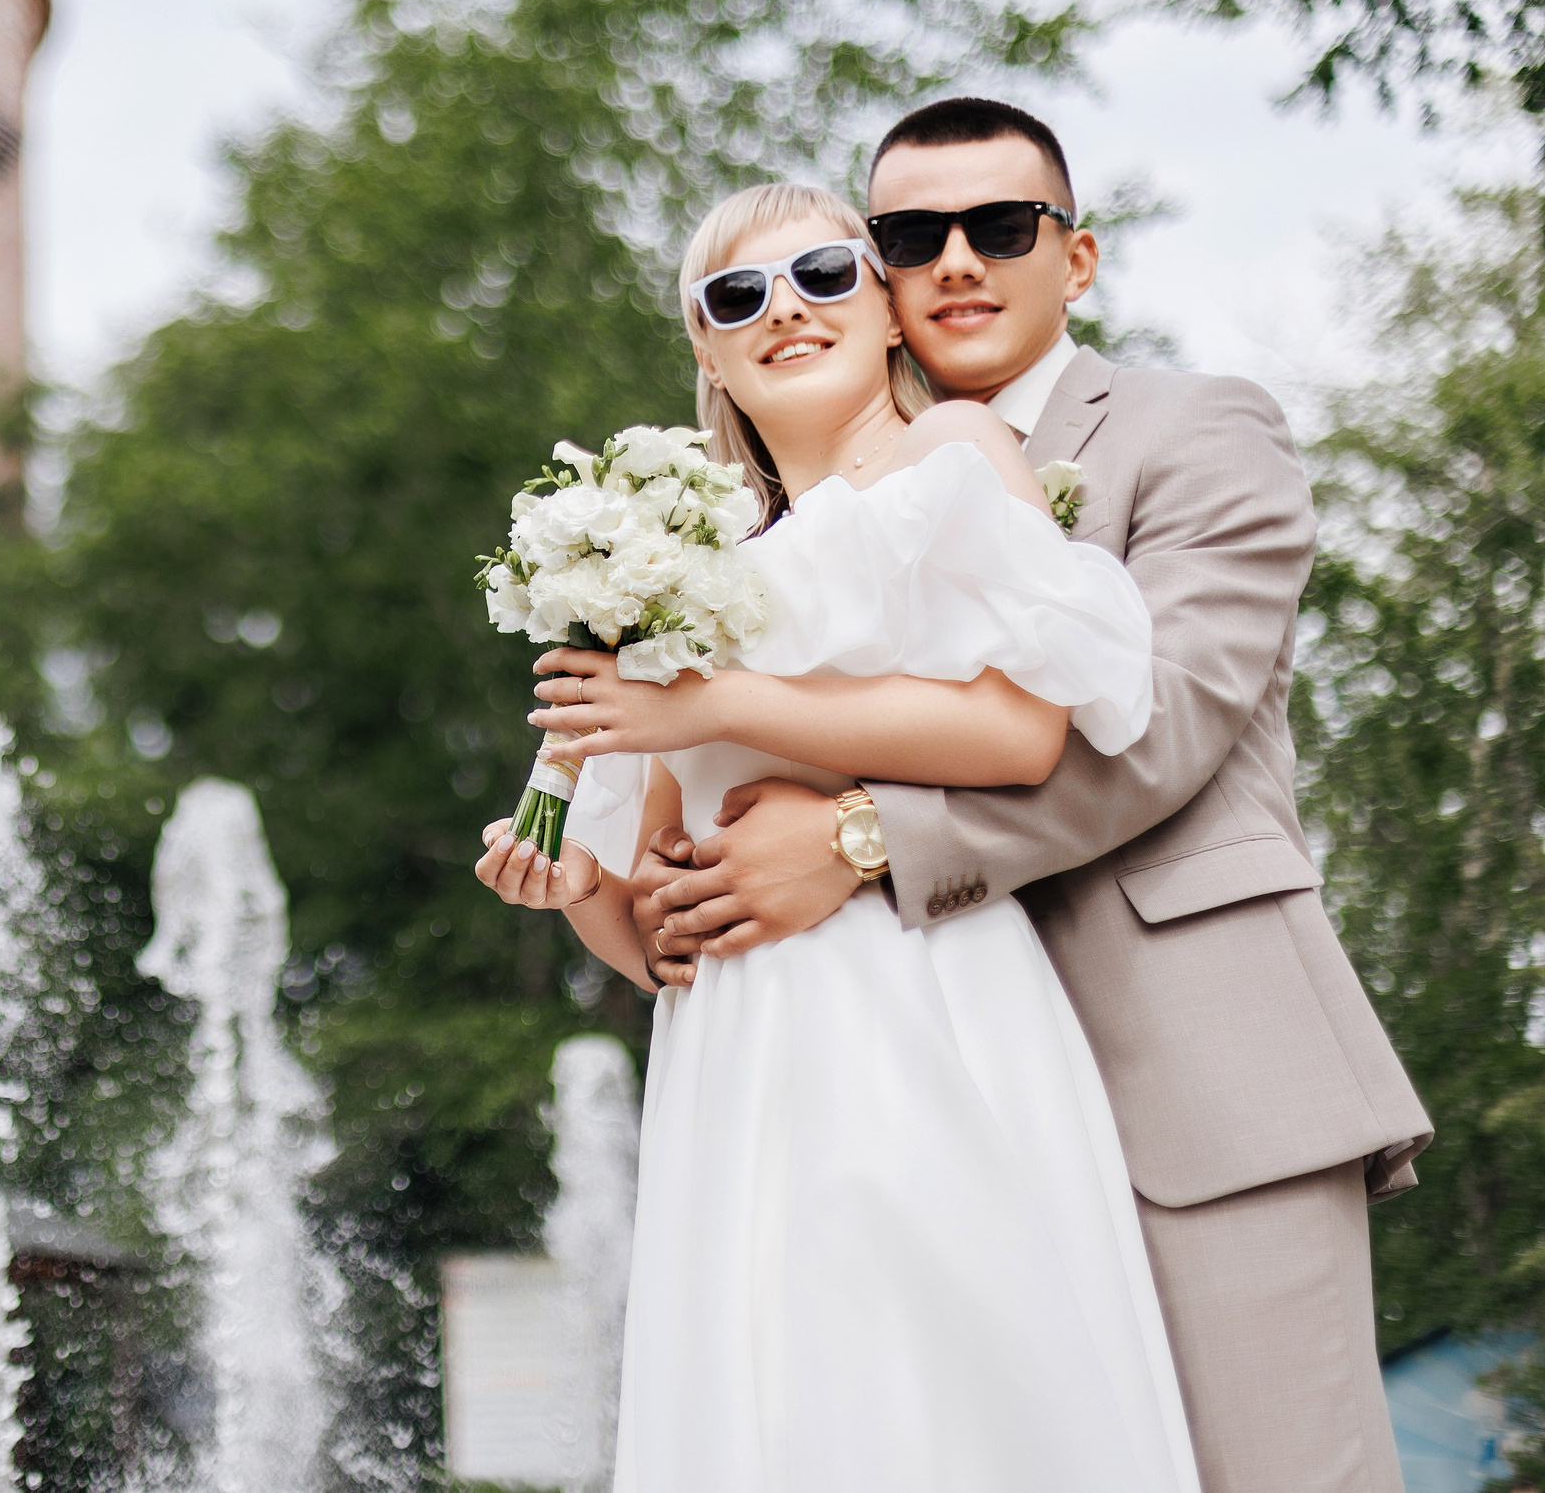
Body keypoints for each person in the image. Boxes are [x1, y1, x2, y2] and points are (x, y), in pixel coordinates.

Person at [642, 98, 1427, 1493]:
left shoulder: (1199, 430)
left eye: (1002, 227)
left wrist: (864, 839)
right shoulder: (805, 507)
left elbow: (1166, 726)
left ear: (1076, 259)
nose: (955, 261)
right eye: (907, 235)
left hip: (1195, 1086)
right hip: (933, 1090)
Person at [477, 178, 1198, 1490]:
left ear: (884, 307)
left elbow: (1016, 737)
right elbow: (656, 939)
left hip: (918, 990)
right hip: (738, 1052)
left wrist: (712, 701)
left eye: (821, 275)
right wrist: (568, 877)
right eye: (737, 296)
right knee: (777, 1404)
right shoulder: (667, 571)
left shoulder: (953, 462)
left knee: (943, 1395)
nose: (786, 312)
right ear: (704, 345)